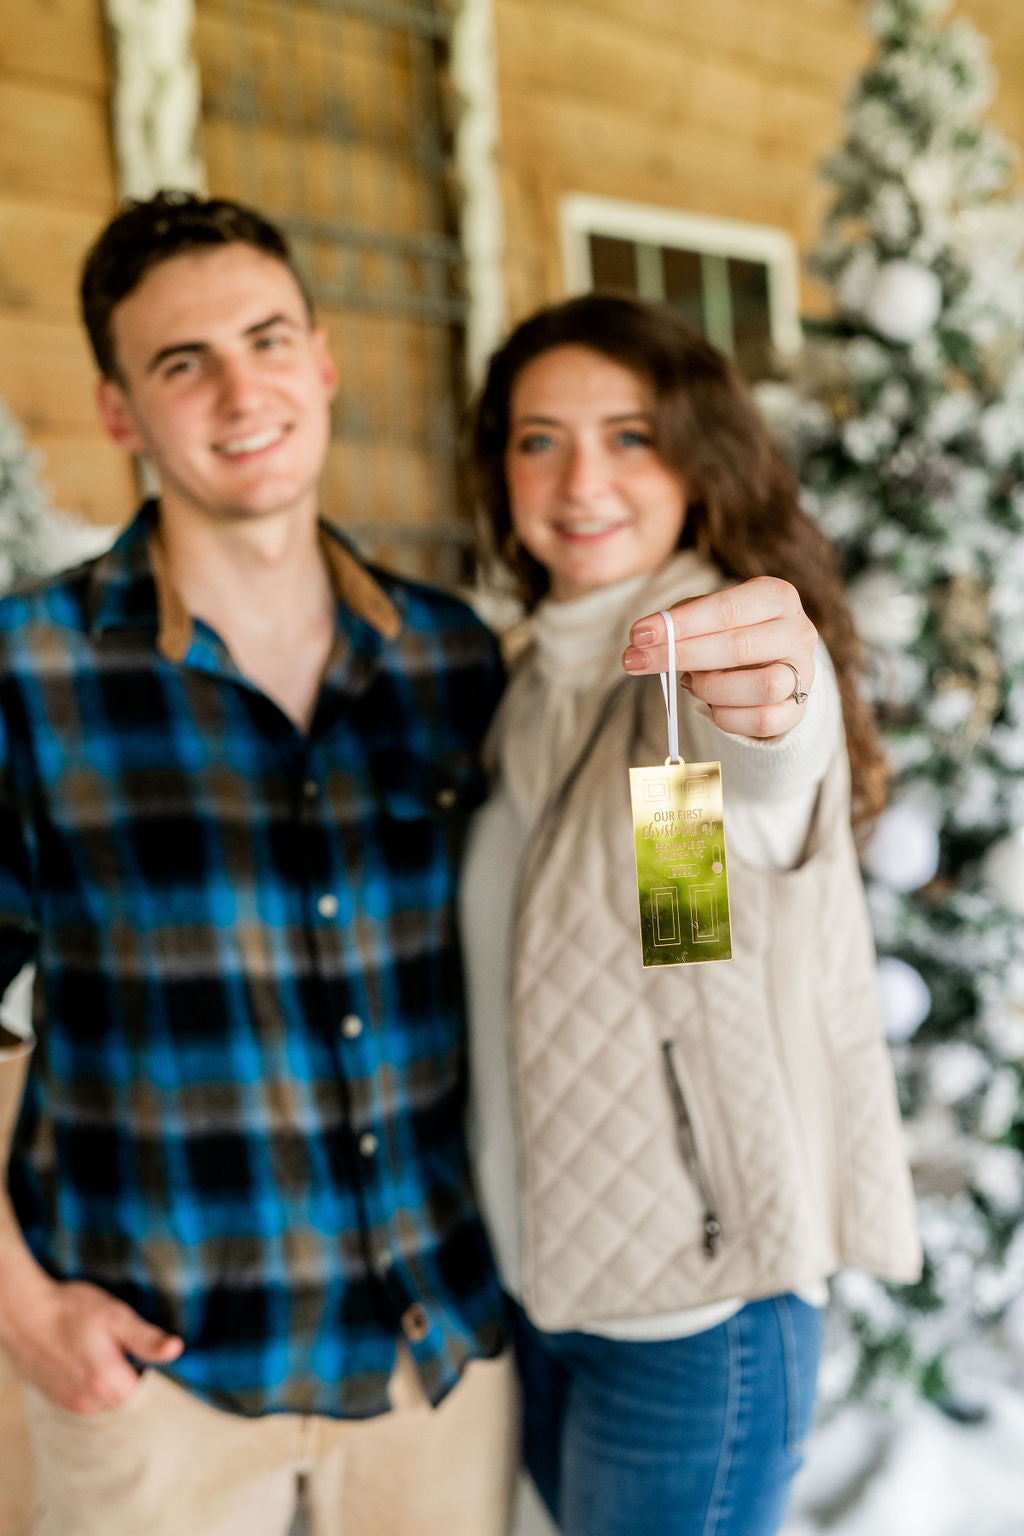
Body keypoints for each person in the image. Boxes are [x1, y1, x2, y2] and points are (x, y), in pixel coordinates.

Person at [0, 191, 515, 1536]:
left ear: (324, 360)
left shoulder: (453, 657)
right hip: (153, 1368)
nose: (243, 390)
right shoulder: (27, 670)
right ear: (120, 412)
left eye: (267, 339)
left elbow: (659, 905)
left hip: (432, 1361)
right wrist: (21, 1305)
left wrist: (747, 732)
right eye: (184, 363)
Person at [461, 293, 921, 1536]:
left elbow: (731, 840)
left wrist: (776, 704)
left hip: (691, 1320)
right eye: (538, 438)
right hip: (538, 1293)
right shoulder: (512, 683)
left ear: (696, 457)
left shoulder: (696, 671)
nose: (580, 478)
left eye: (630, 434)